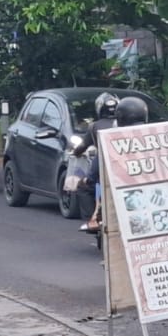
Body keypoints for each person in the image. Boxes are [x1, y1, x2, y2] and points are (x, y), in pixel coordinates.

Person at [74, 92, 121, 233]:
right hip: (128, 168)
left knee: (84, 185)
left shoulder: (94, 126)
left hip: (103, 165)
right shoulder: (126, 124)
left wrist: (75, 152)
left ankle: (92, 221)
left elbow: (82, 146)